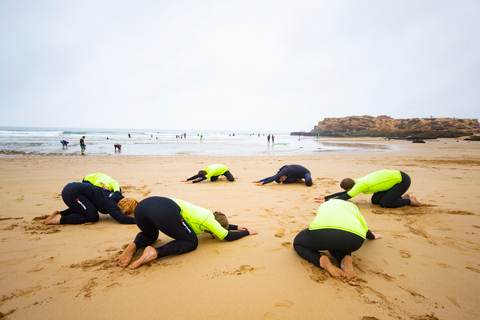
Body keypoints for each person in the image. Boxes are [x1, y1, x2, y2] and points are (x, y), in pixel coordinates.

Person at [118, 196, 258, 269]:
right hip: (165, 211)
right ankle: (154, 252)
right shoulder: (210, 221)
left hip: (142, 207)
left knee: (151, 235)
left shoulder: (206, 214)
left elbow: (222, 228)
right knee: (192, 242)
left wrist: (237, 226)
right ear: (214, 227)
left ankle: (134, 246)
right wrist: (247, 233)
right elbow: (227, 236)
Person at [293, 199, 382, 281]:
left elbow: (319, 220)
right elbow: (365, 227)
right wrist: (372, 236)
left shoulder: (325, 204)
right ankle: (344, 258)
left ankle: (321, 260)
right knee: (340, 241)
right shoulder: (352, 206)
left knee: (298, 242)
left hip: (325, 233)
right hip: (356, 238)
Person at [314, 169, 420, 208]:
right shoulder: (356, 182)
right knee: (375, 201)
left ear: (350, 188)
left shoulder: (360, 185)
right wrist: (326, 197)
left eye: (348, 189)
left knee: (385, 204)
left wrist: (328, 201)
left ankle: (409, 201)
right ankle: (400, 197)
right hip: (391, 181)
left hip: (401, 180)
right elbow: (343, 193)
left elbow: (345, 196)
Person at [44, 182, 137, 225]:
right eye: (126, 212)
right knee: (92, 216)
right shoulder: (111, 204)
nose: (125, 214)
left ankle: (60, 213)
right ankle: (60, 219)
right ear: (123, 207)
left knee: (88, 207)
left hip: (73, 188)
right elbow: (121, 219)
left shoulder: (117, 196)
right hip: (72, 193)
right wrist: (139, 221)